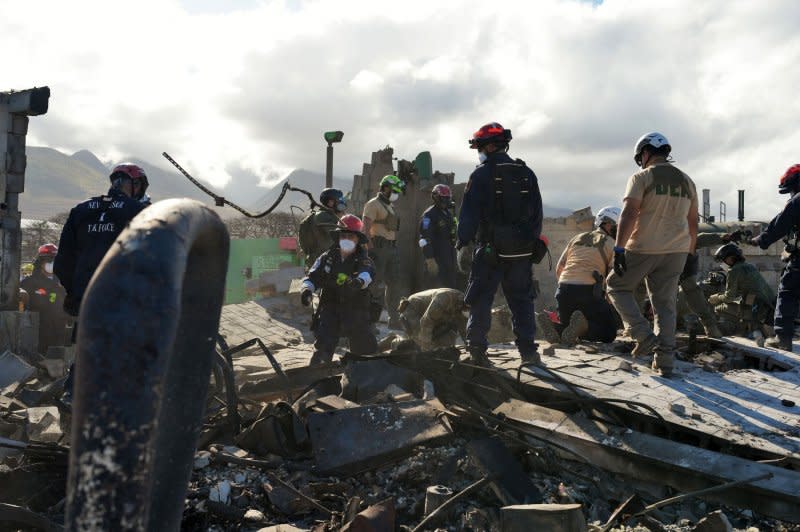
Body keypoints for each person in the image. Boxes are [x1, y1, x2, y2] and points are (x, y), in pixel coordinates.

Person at [54, 163, 149, 401]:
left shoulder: (81, 211)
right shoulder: (138, 211)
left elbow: (63, 262)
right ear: (135, 185)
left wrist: (75, 293)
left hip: (88, 299)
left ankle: (72, 399)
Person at [607, 133, 698, 377]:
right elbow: (693, 223)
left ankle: (641, 334)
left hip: (644, 247)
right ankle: (665, 362)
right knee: (665, 305)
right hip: (677, 250)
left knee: (616, 286)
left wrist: (618, 248)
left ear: (645, 154)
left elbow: (629, 213)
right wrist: (689, 254)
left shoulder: (641, 177)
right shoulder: (687, 181)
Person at [457, 122, 543, 366]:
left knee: (481, 299)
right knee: (522, 300)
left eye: (480, 147)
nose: (479, 152)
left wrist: (462, 243)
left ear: (491, 146)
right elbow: (537, 214)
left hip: (489, 252)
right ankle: (529, 353)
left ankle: (476, 351)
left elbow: (469, 215)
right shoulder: (527, 173)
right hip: (521, 253)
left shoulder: (481, 174)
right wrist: (528, 244)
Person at [300, 214, 378, 365]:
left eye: (351, 236)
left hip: (356, 308)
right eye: (344, 236)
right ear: (338, 238)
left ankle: (364, 373)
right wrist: (307, 290)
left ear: (358, 239)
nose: (347, 239)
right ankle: (318, 377)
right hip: (330, 306)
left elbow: (367, 273)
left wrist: (359, 281)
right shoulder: (326, 258)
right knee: (323, 344)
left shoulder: (364, 259)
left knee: (365, 350)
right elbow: (312, 276)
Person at [537, 206, 620, 345]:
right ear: (607, 224)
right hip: (589, 292)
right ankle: (583, 327)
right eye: (617, 226)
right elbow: (613, 275)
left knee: (568, 325)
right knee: (608, 332)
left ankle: (556, 327)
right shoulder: (612, 244)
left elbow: (560, 268)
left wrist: (566, 289)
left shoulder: (576, 238)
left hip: (563, 290)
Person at [750, 164, 800, 350]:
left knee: (788, 292)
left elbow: (780, 224)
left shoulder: (797, 201)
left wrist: (761, 240)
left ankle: (783, 339)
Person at [708, 243, 776, 342]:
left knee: (718, 308)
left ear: (731, 258)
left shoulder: (733, 271)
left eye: (724, 260)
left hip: (757, 309)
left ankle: (744, 330)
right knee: (746, 302)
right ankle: (753, 328)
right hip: (768, 308)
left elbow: (729, 297)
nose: (723, 263)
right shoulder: (749, 266)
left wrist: (715, 298)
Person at [362, 174, 406, 328]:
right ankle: (370, 323)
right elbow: (365, 228)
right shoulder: (373, 204)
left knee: (394, 285)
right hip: (378, 248)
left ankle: (394, 320)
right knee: (375, 286)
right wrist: (370, 248)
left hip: (391, 248)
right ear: (385, 187)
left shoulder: (389, 206)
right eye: (394, 190)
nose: (396, 193)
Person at [20, 243, 69, 354]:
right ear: (40, 262)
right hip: (37, 334)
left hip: (59, 333)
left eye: (54, 260)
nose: (51, 264)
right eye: (48, 260)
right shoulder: (29, 282)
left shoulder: (64, 281)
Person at [398, 288, 467, 350]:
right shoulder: (443, 299)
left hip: (432, 317)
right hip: (413, 310)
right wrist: (426, 348)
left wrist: (469, 345)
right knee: (419, 344)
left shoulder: (463, 303)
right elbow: (426, 322)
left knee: (446, 342)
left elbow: (463, 327)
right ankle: (395, 342)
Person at [419, 184, 458, 288]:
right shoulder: (429, 215)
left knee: (450, 287)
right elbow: (424, 238)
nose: (446, 201)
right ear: (436, 197)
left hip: (449, 256)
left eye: (447, 198)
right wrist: (430, 259)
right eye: (443, 198)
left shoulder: (448, 214)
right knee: (436, 289)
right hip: (437, 258)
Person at [299, 188, 347, 269]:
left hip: (326, 259)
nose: (342, 202)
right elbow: (337, 234)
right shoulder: (322, 216)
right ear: (330, 202)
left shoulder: (329, 215)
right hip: (321, 261)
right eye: (339, 200)